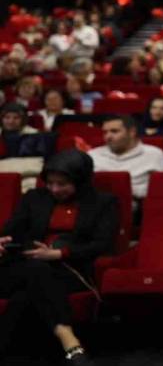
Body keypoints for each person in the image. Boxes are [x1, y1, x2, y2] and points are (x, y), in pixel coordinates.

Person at [0, 149, 118, 363]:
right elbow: (11, 231)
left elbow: (103, 244)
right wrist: (4, 241)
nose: (54, 189)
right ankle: (69, 340)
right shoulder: (34, 197)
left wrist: (58, 253)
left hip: (70, 269)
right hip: (24, 265)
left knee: (24, 296)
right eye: (50, 183)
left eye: (62, 184)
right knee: (36, 269)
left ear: (80, 181)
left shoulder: (103, 202)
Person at [87, 115, 163, 213]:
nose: (108, 136)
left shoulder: (154, 154)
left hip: (139, 209)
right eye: (105, 132)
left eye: (114, 131)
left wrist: (130, 191)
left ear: (132, 132)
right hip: (96, 207)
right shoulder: (92, 155)